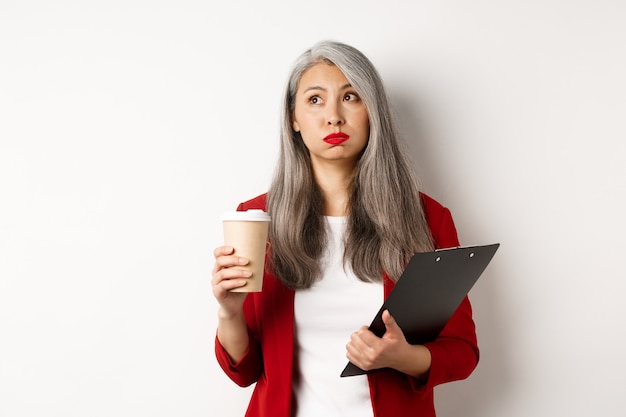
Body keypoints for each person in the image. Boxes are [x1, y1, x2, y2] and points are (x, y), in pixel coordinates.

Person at [212, 40, 479, 417]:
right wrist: (229, 312)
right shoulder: (258, 218)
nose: (333, 116)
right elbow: (245, 371)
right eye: (315, 100)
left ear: (373, 112)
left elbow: (462, 352)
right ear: (293, 118)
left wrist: (403, 357)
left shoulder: (426, 218)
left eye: (351, 96)